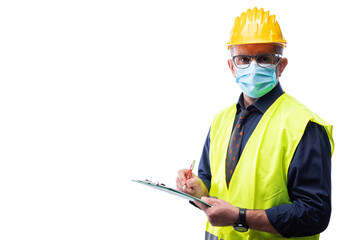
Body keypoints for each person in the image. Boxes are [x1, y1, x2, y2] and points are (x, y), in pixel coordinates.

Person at [176, 7, 334, 240]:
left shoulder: (304, 126)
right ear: (232, 66)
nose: (253, 66)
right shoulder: (221, 119)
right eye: (243, 59)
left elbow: (314, 214)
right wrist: (198, 189)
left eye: (263, 58)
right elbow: (210, 183)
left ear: (281, 65)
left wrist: (240, 217)